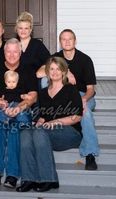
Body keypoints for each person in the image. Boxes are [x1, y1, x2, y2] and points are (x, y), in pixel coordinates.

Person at [16, 56, 83, 192]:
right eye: (52, 69)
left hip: (70, 133)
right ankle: (28, 179)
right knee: (26, 132)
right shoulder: (42, 93)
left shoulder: (71, 90)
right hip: (48, 133)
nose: (55, 72)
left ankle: (49, 179)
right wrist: (40, 121)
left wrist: (55, 121)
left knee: (40, 132)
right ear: (47, 71)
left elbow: (77, 117)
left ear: (64, 71)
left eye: (58, 69)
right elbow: (43, 116)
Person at [37, 29, 99, 170]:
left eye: (70, 39)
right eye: (63, 39)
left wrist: (83, 99)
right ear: (60, 42)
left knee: (86, 112)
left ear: (75, 41)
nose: (67, 42)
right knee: (44, 80)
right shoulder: (56, 57)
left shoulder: (85, 59)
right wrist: (67, 71)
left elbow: (91, 89)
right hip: (63, 94)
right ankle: (47, 114)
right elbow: (39, 72)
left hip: (83, 94)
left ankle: (90, 153)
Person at [0, 38, 38, 189]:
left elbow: (33, 95)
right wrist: (0, 103)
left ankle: (12, 175)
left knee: (15, 131)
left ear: (21, 52)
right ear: (4, 52)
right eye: (8, 51)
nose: (12, 54)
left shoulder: (28, 70)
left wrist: (19, 107)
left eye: (15, 51)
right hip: (1, 110)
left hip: (22, 110)